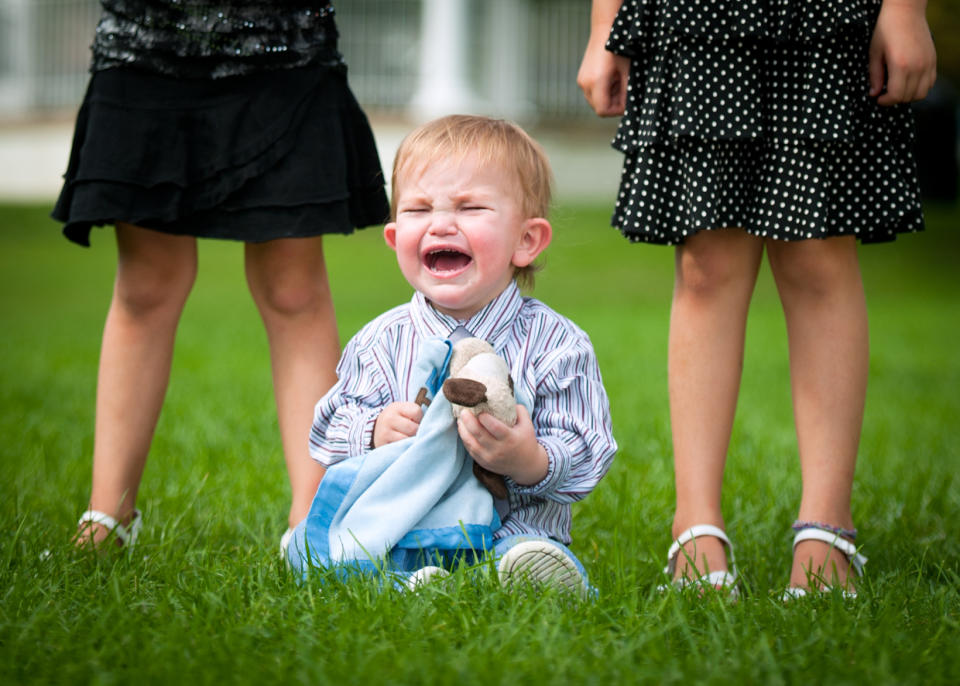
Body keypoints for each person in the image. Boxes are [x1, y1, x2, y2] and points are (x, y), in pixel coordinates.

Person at [578, 0, 935, 597]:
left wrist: (904, 9)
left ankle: (827, 529)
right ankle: (695, 528)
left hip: (824, 18)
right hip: (696, 18)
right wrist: (602, 26)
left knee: (818, 254)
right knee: (707, 263)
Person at [54, 1, 390, 551]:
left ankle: (312, 523)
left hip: (284, 51)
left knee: (293, 290)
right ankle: (107, 517)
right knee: (145, 287)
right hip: (145, 50)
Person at [285, 115, 617, 593]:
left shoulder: (557, 343)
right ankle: (408, 580)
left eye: (470, 207)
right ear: (396, 238)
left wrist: (530, 460)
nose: (441, 224)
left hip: (513, 527)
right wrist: (374, 430)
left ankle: (518, 573)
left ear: (526, 240)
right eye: (419, 209)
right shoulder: (381, 341)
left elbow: (589, 446)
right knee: (327, 554)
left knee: (524, 551)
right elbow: (326, 429)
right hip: (400, 526)